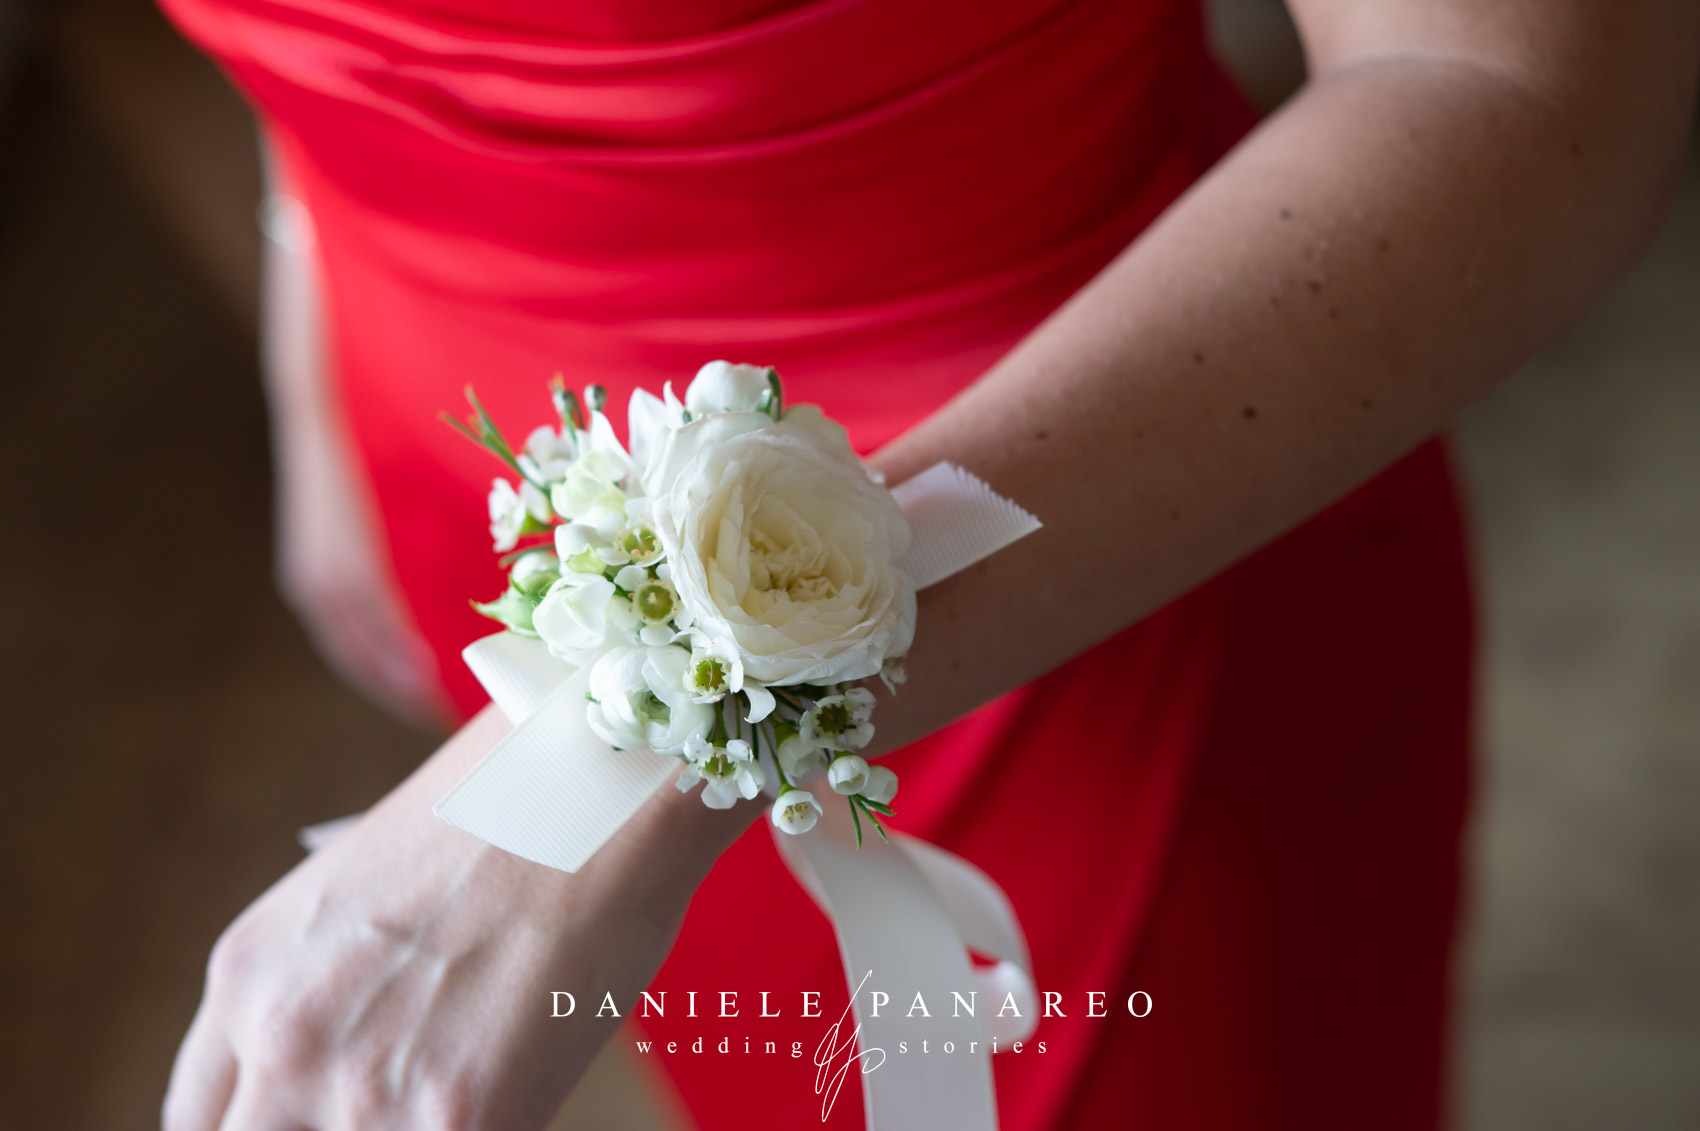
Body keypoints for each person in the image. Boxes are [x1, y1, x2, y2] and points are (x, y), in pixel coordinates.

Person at [154, 1, 1698, 1128]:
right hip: (494, 502)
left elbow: (1517, 84)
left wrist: (605, 760)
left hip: (1088, 538)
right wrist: (312, 328)